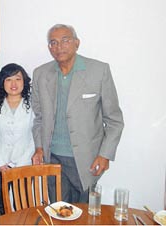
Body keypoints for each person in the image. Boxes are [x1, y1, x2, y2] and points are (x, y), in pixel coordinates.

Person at [31, 24, 124, 203]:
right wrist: (39, 147)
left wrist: (105, 155)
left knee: (84, 215)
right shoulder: (40, 74)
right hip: (53, 158)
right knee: (58, 212)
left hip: (86, 159)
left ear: (77, 43)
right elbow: (39, 117)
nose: (59, 46)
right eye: (53, 42)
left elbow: (114, 120)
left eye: (65, 40)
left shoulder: (99, 71)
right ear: (49, 48)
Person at [0, 63, 35, 214]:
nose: (13, 84)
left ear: (24, 82)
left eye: (18, 79)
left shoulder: (33, 105)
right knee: (0, 208)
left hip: (24, 164)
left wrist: (21, 163)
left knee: (22, 207)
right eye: (8, 79)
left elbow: (36, 136)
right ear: (2, 83)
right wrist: (0, 164)